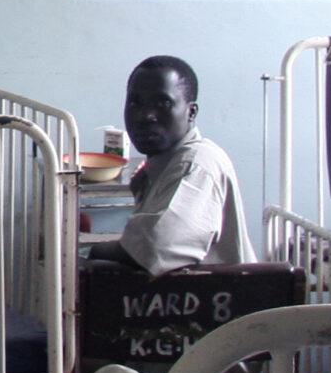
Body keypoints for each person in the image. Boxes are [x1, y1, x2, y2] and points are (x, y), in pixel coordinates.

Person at [85, 55, 251, 274]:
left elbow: (154, 246)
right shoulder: (163, 165)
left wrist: (95, 254)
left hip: (219, 303)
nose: (145, 116)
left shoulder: (195, 163)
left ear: (191, 112)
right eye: (135, 103)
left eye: (162, 103)